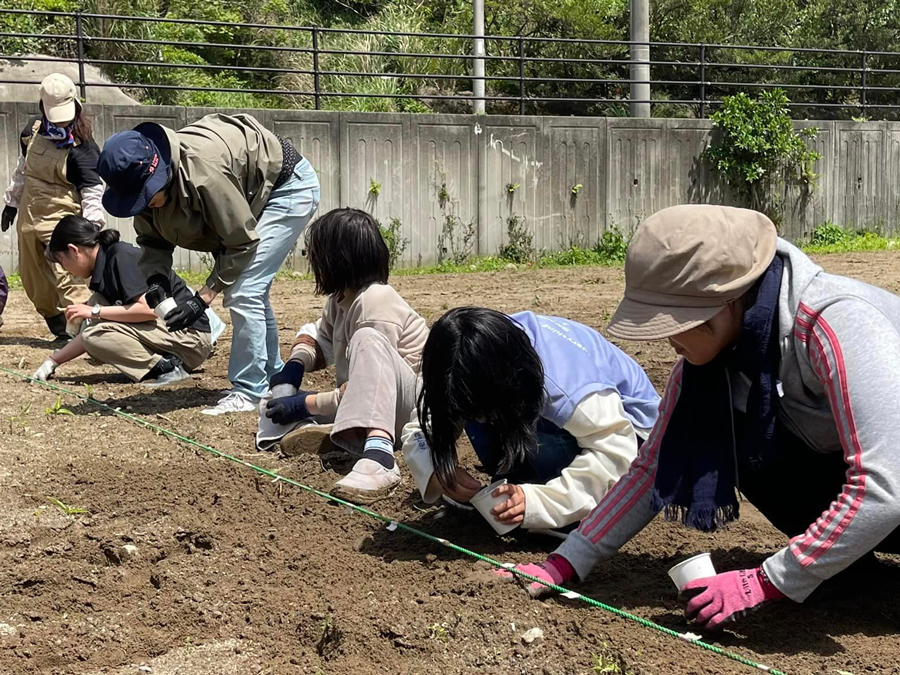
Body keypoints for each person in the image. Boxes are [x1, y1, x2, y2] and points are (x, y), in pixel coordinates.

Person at [500, 204, 900, 631]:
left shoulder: (834, 323)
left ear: (724, 302)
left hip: (891, 487)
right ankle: (842, 567)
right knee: (741, 439)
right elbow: (650, 467)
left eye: (672, 322)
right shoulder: (707, 369)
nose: (667, 340)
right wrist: (565, 562)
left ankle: (829, 563)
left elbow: (886, 485)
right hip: (870, 490)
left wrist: (767, 581)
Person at [97, 113, 319, 415]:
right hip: (250, 195)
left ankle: (250, 390)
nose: (145, 204)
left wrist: (202, 299)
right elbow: (153, 242)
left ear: (161, 174)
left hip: (285, 186)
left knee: (244, 291)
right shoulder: (148, 183)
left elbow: (240, 241)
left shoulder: (204, 175)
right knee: (251, 291)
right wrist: (156, 280)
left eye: (145, 196)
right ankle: (273, 377)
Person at [401, 308, 660, 534]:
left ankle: (566, 510)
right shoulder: (467, 359)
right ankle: (533, 482)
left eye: (481, 412)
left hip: (639, 440)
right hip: (542, 413)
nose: (476, 420)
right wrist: (436, 469)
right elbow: (422, 425)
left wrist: (539, 502)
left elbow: (615, 454)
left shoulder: (564, 386)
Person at [260, 208, 428, 504]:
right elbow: (320, 338)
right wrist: (295, 366)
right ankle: (344, 431)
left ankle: (379, 457)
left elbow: (372, 384)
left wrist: (306, 404)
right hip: (375, 402)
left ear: (337, 258)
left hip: (416, 412)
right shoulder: (341, 299)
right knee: (285, 402)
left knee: (365, 340)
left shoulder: (376, 301)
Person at [31, 215, 213, 386]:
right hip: (175, 334)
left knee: (95, 328)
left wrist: (94, 312)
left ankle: (167, 368)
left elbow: (148, 310)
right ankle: (159, 364)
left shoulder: (120, 257)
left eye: (62, 262)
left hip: (190, 337)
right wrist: (53, 361)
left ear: (73, 250)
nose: (66, 270)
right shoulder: (104, 266)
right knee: (95, 313)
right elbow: (87, 335)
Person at [2, 73, 102, 342]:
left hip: (61, 214)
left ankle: (85, 333)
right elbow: (23, 170)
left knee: (67, 274)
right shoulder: (32, 132)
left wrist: (93, 225)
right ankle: (60, 328)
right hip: (30, 211)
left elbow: (92, 189)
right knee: (32, 274)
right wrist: (11, 203)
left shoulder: (83, 146)